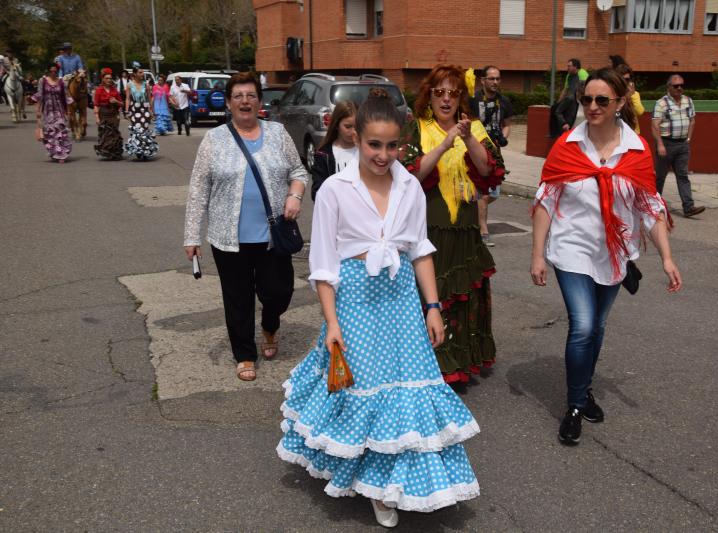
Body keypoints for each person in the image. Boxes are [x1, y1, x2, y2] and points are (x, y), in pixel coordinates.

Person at [277, 88, 480, 527]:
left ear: (402, 144)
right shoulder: (335, 189)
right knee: (363, 390)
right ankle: (372, 481)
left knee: (411, 387)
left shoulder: (410, 186)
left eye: (392, 146)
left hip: (402, 298)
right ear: (358, 140)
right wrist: (331, 322)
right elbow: (324, 265)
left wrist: (432, 307)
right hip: (354, 299)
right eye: (374, 144)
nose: (383, 155)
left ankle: (396, 481)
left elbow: (421, 251)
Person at [531, 67, 683, 446]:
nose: (593, 106)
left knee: (597, 328)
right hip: (571, 250)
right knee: (582, 326)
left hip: (614, 254)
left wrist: (666, 257)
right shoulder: (567, 146)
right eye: (587, 100)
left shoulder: (635, 150)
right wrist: (537, 255)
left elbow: (649, 207)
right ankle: (574, 406)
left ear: (618, 103)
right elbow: (545, 201)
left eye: (602, 100)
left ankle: (584, 389)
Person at [183, 71, 308, 381]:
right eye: (238, 96)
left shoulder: (278, 133)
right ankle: (244, 354)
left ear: (259, 101)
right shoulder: (214, 139)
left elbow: (299, 171)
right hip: (229, 238)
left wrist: (294, 196)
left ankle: (269, 325)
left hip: (273, 235)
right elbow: (198, 189)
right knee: (237, 297)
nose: (245, 101)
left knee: (278, 292)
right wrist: (191, 235)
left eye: (251, 95)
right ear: (228, 103)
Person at [399, 64, 505, 385]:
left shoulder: (474, 128)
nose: (446, 99)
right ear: (428, 96)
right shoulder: (417, 127)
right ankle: (431, 364)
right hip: (429, 228)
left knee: (463, 296)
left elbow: (488, 169)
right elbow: (411, 174)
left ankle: (460, 361)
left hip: (466, 229)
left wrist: (468, 137)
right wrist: (444, 143)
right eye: (439, 92)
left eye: (453, 93)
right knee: (432, 294)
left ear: (461, 98)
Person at [469, 65, 513, 247]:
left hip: (494, 153)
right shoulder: (473, 99)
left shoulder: (504, 101)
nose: (495, 82)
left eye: (498, 79)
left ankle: (473, 215)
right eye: (492, 79)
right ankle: (483, 230)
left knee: (493, 193)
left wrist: (503, 137)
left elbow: (507, 124)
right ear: (483, 80)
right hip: (474, 151)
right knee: (483, 194)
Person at [652, 74, 705, 217]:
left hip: (682, 145)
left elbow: (692, 121)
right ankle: (653, 207)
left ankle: (688, 207)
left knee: (682, 176)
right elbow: (655, 125)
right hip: (666, 144)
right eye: (676, 86)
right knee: (660, 177)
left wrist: (688, 138)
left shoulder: (688, 101)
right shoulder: (661, 103)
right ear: (668, 87)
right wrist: (660, 145)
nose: (679, 88)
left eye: (682, 85)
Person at [309, 100, 358, 200]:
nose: (353, 131)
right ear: (336, 125)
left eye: (357, 127)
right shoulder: (323, 154)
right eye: (348, 127)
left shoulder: (366, 151)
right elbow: (317, 192)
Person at [31, 63, 72, 163]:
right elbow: (40, 96)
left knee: (60, 129)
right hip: (47, 110)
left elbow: (65, 96)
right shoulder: (43, 81)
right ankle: (55, 152)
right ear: (48, 71)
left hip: (59, 109)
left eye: (55, 71)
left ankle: (61, 154)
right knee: (50, 132)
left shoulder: (62, 82)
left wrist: (69, 110)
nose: (53, 73)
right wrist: (38, 111)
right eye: (51, 71)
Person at [124, 67, 158, 160]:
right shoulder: (129, 85)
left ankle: (145, 151)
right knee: (137, 130)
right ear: (134, 74)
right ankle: (138, 150)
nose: (142, 74)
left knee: (144, 130)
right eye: (140, 72)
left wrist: (152, 111)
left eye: (142, 72)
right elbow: (127, 98)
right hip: (134, 110)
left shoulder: (146, 85)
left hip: (144, 110)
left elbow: (149, 98)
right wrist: (127, 111)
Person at [549, 59, 589, 137]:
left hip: (579, 99)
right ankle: (554, 132)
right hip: (571, 98)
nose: (567, 68)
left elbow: (584, 88)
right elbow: (565, 89)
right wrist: (559, 102)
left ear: (575, 67)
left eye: (569, 66)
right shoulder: (569, 75)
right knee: (554, 108)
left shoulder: (582, 74)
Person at [93, 68, 124, 160]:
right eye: (107, 78)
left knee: (114, 134)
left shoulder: (115, 90)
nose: (109, 80)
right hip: (103, 114)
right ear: (103, 79)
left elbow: (122, 103)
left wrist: (115, 101)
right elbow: (96, 105)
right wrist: (97, 118)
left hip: (113, 114)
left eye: (110, 78)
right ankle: (107, 152)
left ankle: (114, 153)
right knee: (105, 134)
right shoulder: (99, 90)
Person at [615, 63, 644, 134]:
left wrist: (632, 95)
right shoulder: (613, 94)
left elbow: (640, 111)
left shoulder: (635, 94)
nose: (624, 82)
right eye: (621, 79)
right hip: (617, 132)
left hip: (633, 132)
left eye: (627, 79)